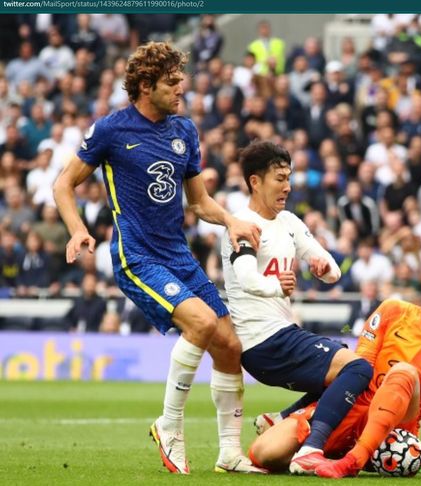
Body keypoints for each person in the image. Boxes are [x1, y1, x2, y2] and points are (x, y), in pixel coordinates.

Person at [52, 42, 263, 475]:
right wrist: (78, 229)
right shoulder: (111, 130)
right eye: (172, 82)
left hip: (178, 255)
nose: (181, 88)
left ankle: (228, 453)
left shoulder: (184, 130)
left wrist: (232, 222)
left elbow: (199, 202)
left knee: (229, 346)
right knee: (203, 324)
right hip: (137, 256)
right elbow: (62, 184)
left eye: (181, 80)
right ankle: (169, 426)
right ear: (145, 86)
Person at [247, 265, 421, 479]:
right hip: (347, 411)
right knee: (263, 453)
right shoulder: (393, 312)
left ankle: (353, 460)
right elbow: (357, 370)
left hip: (391, 436)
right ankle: (333, 450)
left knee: (404, 373)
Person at [221, 140, 373, 475]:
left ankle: (281, 419)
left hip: (283, 333)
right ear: (255, 181)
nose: (287, 186)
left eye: (289, 177)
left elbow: (331, 268)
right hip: (262, 341)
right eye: (279, 178)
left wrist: (322, 267)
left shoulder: (288, 221)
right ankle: (311, 448)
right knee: (359, 369)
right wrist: (278, 286)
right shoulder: (242, 225)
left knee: (344, 369)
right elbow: (246, 277)